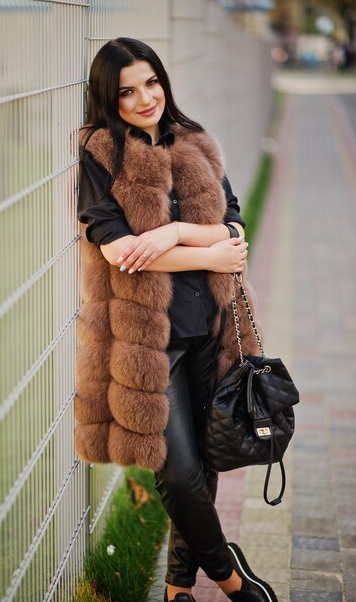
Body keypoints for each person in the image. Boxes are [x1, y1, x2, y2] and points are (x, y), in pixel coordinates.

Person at [75, 37, 278, 602]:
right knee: (179, 473)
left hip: (210, 329)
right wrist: (209, 253)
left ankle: (176, 590)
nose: (145, 98)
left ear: (164, 81)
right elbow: (118, 250)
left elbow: (233, 228)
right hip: (147, 344)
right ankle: (232, 578)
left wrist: (175, 233)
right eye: (127, 91)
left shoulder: (195, 144)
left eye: (151, 83)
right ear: (107, 100)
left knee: (207, 464)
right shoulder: (100, 156)